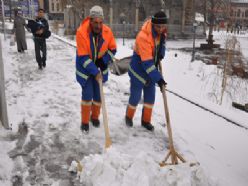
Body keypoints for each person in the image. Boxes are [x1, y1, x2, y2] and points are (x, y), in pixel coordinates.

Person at [76, 6, 117, 133]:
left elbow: (113, 49)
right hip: (85, 70)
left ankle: (94, 117)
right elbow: (83, 58)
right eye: (95, 22)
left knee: (98, 96)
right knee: (88, 95)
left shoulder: (107, 32)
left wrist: (104, 60)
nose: (98, 26)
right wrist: (95, 71)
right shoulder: (82, 33)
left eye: (101, 22)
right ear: (90, 20)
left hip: (100, 68)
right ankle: (84, 121)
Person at [125, 11, 168, 131]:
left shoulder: (162, 33)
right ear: (153, 24)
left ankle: (145, 121)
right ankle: (128, 116)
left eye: (163, 26)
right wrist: (159, 79)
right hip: (138, 70)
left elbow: (161, 46)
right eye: (158, 26)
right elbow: (147, 63)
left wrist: (161, 53)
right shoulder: (143, 37)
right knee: (135, 97)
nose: (161, 29)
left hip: (150, 71)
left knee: (150, 98)